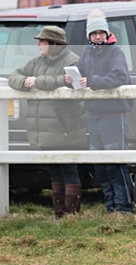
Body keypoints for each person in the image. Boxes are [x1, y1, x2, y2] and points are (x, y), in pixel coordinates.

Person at [8, 26, 87, 217]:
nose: (38, 45)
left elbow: (69, 81)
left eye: (42, 41)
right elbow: (14, 77)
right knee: (54, 170)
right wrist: (25, 82)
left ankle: (71, 213)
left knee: (68, 168)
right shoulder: (36, 62)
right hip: (43, 130)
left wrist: (37, 81)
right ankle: (59, 212)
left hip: (64, 126)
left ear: (53, 44)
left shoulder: (73, 61)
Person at [68, 11, 135, 214]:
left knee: (116, 163)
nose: (98, 36)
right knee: (101, 165)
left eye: (101, 32)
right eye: (94, 33)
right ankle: (110, 206)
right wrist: (70, 80)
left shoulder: (116, 53)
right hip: (94, 114)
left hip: (113, 115)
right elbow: (79, 73)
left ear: (106, 33)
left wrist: (92, 81)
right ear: (89, 35)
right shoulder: (87, 54)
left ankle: (124, 208)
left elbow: (119, 77)